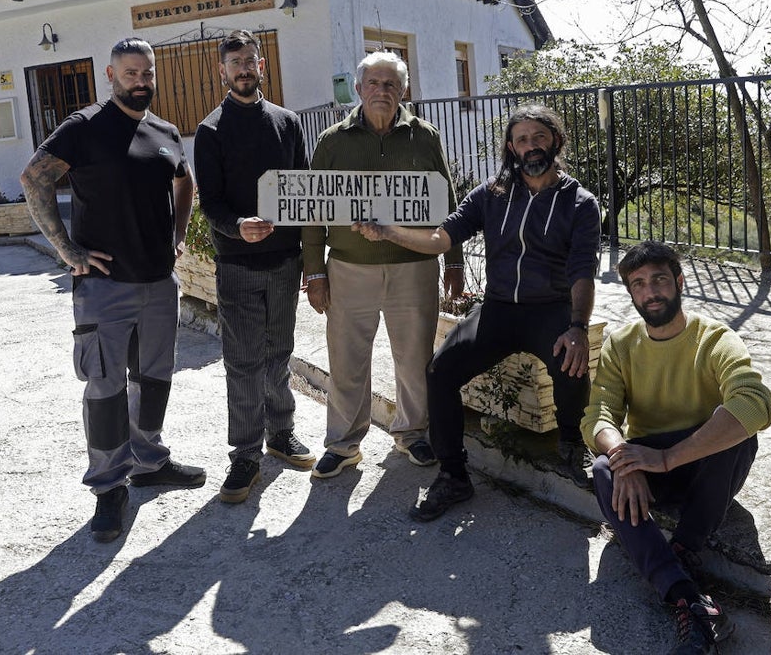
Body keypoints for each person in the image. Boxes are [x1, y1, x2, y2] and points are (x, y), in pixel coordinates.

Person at [354, 104, 601, 521]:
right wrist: (385, 231)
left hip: (550, 309)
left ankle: (572, 443)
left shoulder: (580, 202)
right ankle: (454, 476)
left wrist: (577, 326)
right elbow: (439, 238)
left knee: (572, 362)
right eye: (521, 139)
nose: (530, 146)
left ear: (555, 141)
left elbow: (582, 273)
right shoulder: (491, 194)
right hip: (499, 309)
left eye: (539, 137)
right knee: (440, 371)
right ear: (510, 147)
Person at [20, 37, 205, 544]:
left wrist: (180, 234)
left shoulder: (165, 132)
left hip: (158, 283)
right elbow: (34, 179)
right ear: (110, 75)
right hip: (104, 287)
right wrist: (67, 250)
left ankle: (148, 461)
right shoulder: (84, 128)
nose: (140, 81)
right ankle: (108, 487)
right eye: (130, 73)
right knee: (104, 388)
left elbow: (184, 181)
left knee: (154, 378)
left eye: (147, 72)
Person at [581, 241, 771, 654]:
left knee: (738, 434)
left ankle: (684, 547)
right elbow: (597, 414)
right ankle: (685, 596)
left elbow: (754, 403)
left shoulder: (715, 338)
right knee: (602, 468)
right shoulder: (621, 343)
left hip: (707, 469)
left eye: (659, 280)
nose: (651, 292)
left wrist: (667, 458)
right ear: (631, 294)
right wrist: (625, 460)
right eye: (639, 284)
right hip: (651, 472)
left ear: (680, 282)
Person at [302, 51, 464, 479]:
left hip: (414, 268)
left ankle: (412, 434)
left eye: (391, 84)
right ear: (358, 89)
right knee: (347, 360)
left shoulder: (425, 136)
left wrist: (454, 262)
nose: (382, 91)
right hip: (349, 269)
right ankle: (343, 444)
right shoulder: (332, 140)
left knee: (413, 360)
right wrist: (314, 272)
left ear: (404, 90)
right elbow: (313, 211)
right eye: (373, 83)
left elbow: (447, 203)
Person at [193, 29, 314, 504]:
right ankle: (245, 454)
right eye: (234, 62)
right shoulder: (211, 130)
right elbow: (211, 204)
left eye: (250, 60)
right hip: (238, 264)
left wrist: (311, 261)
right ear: (223, 71)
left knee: (279, 352)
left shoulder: (288, 123)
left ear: (262, 66)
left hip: (285, 262)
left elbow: (304, 193)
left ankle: (280, 434)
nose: (243, 69)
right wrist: (236, 225)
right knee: (243, 363)